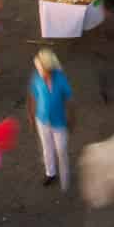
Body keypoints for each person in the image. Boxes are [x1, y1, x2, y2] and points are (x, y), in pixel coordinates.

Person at [29, 49, 74, 192]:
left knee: (61, 149)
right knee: (47, 147)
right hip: (42, 120)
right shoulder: (37, 78)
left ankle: (65, 176)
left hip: (59, 121)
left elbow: (69, 100)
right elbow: (33, 97)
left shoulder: (60, 79)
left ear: (50, 69)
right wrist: (31, 116)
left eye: (43, 69)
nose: (41, 71)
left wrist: (72, 118)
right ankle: (51, 173)